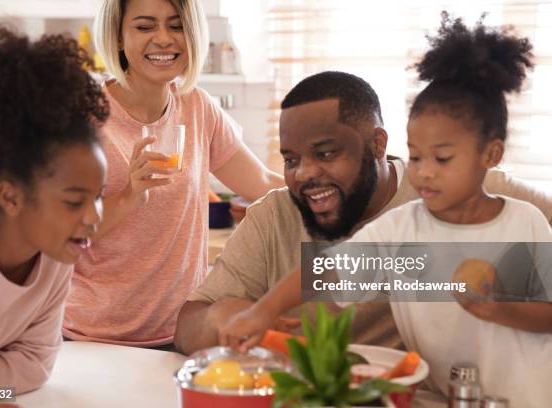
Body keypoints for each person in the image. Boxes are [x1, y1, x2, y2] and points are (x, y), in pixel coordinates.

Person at [218, 14, 552, 407]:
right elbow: (324, 271)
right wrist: (262, 311)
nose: (424, 172)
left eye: (442, 158)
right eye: (415, 156)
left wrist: (500, 309)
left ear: (490, 154)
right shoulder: (401, 228)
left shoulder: (520, 222)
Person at [174, 66, 552, 355]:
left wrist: (504, 310)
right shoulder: (275, 217)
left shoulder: (474, 194)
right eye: (291, 159)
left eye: (326, 153)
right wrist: (238, 316)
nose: (304, 173)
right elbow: (328, 269)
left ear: (377, 145)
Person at [62, 0, 284, 347]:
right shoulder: (83, 118)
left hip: (179, 333)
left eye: (176, 26)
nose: (164, 39)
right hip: (92, 336)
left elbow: (264, 185)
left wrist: (342, 196)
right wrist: (128, 196)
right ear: (119, 37)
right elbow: (61, 235)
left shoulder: (197, 106)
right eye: (145, 26)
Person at [0, 21, 109, 393]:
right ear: (10, 196)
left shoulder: (55, 255)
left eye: (98, 196)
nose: (95, 216)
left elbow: (32, 367)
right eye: (74, 201)